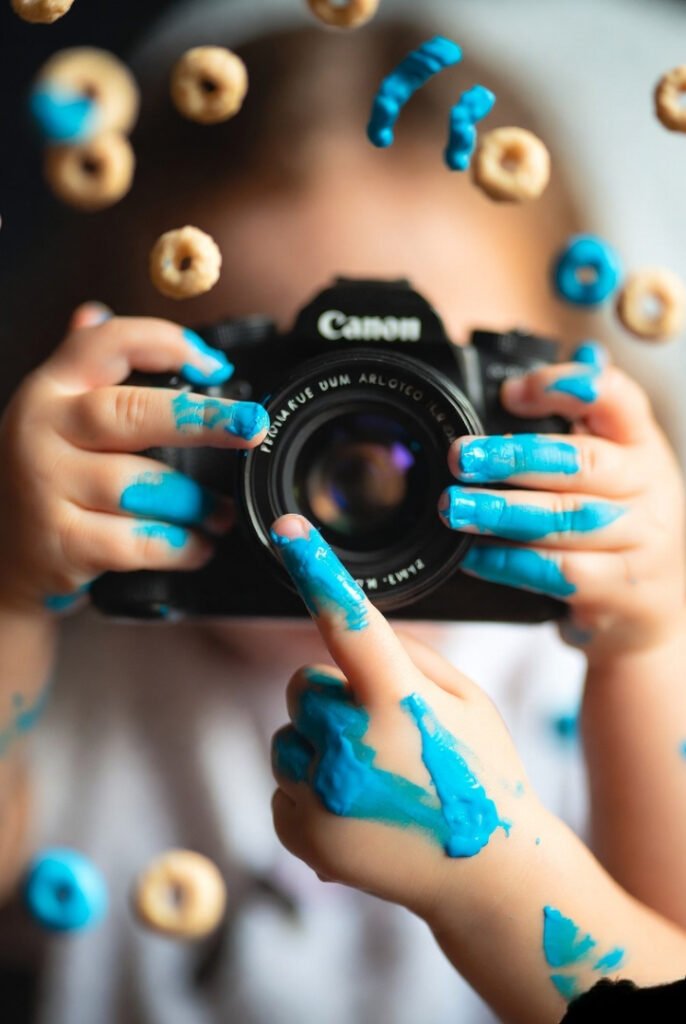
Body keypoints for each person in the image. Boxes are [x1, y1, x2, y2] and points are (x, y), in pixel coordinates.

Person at [0, 1, 685, 1022]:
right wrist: (10, 581)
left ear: (545, 387)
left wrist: (644, 642)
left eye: (425, 393)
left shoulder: (591, 669)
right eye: (285, 389)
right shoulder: (91, 653)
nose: (360, 470)